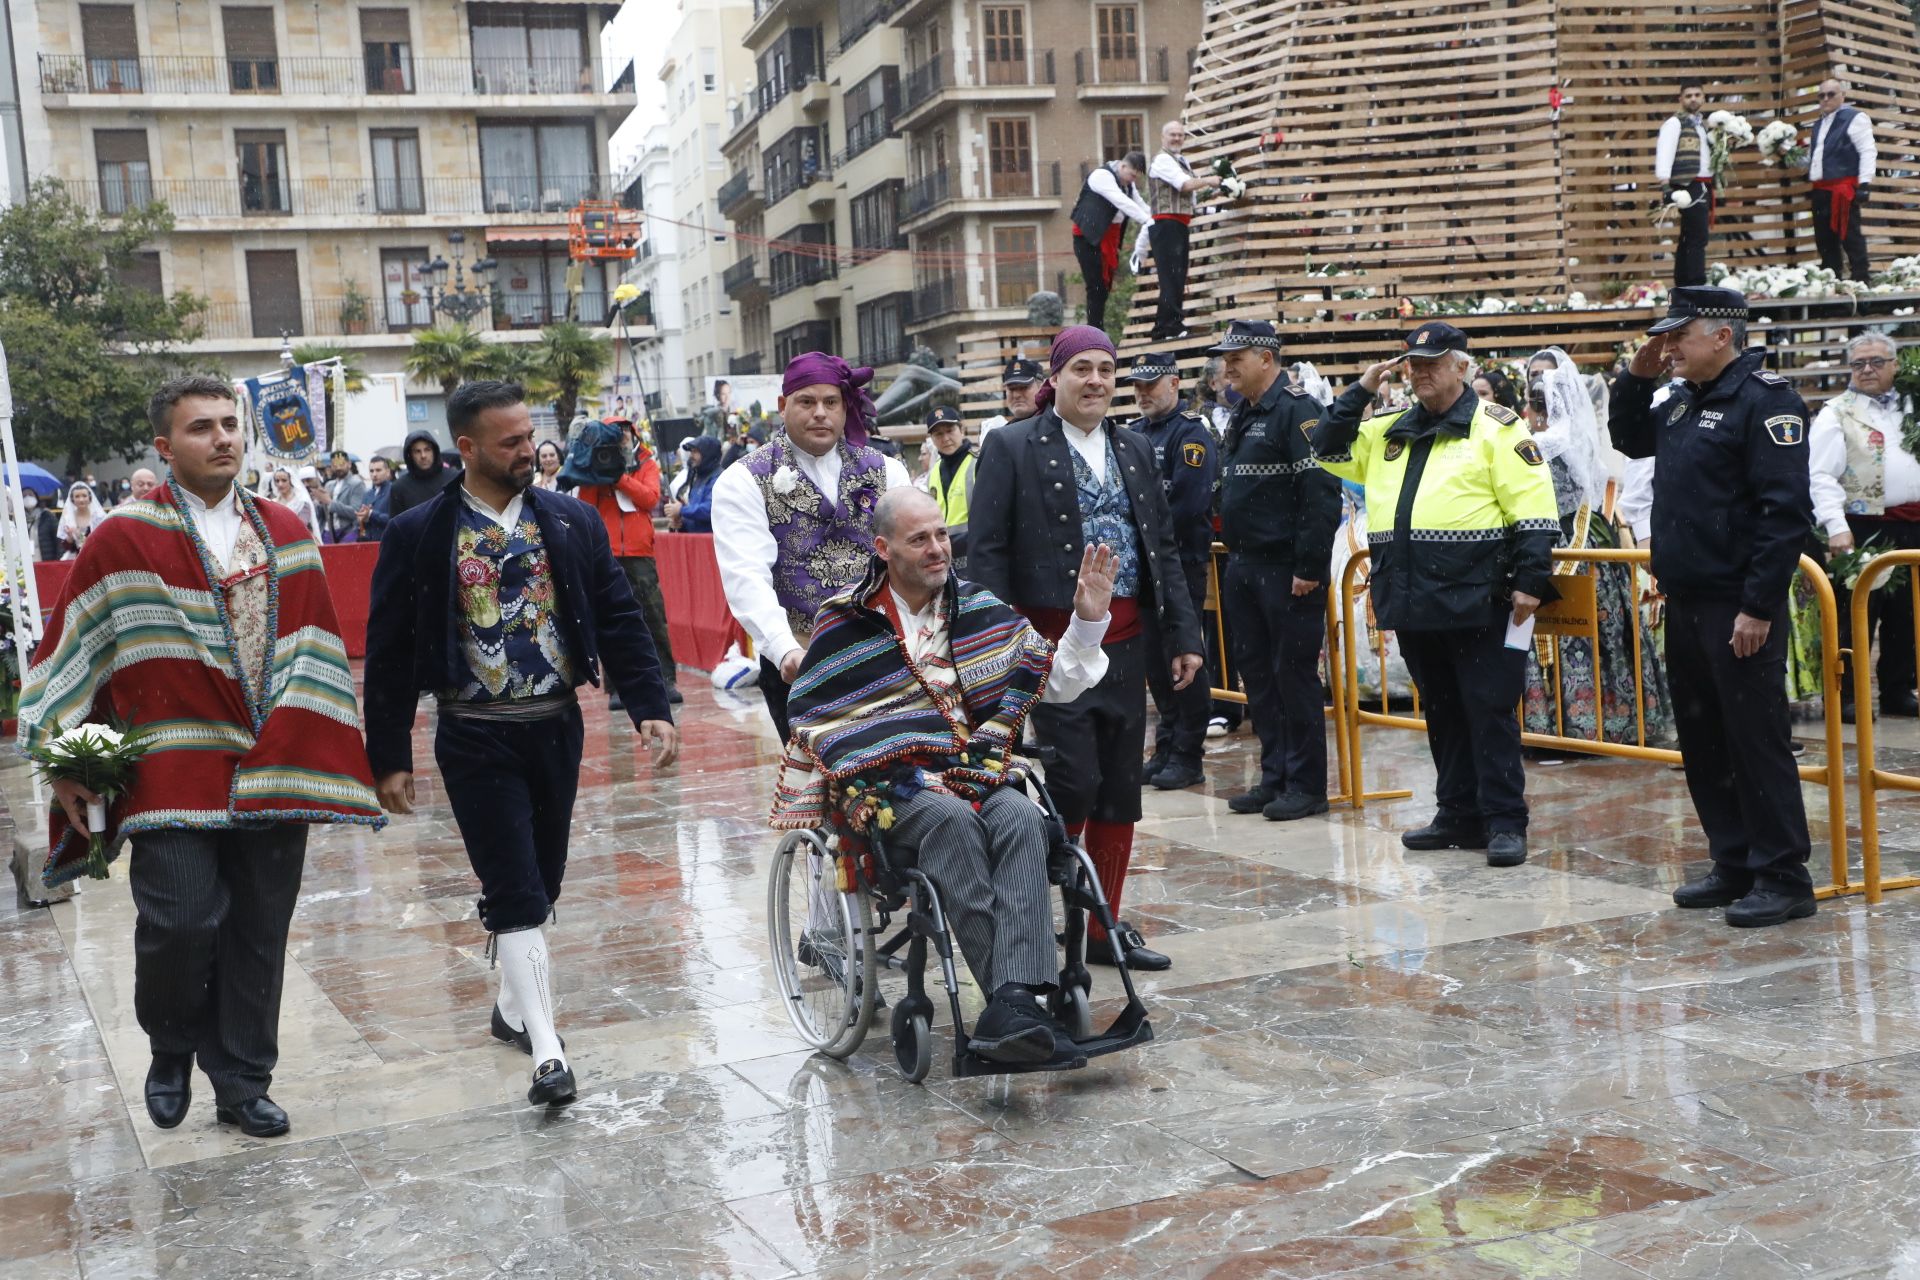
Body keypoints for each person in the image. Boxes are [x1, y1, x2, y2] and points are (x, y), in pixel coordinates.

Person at [18, 374, 384, 1138]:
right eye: (201, 427)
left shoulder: (287, 528)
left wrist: (332, 748)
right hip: (170, 769)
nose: (223, 438)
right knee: (180, 921)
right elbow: (74, 642)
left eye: (230, 424)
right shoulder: (124, 535)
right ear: (164, 446)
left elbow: (317, 650)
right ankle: (170, 1041)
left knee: (259, 931)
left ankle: (244, 1081)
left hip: (276, 763)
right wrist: (66, 752)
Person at [364, 380, 678, 1107]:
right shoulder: (418, 534)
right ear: (466, 448)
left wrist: (649, 705)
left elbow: (617, 613)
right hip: (472, 735)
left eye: (530, 436)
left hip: (557, 725)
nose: (529, 451)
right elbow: (386, 648)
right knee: (514, 889)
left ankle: (511, 1010)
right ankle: (547, 1051)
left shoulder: (570, 521)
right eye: (508, 442)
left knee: (545, 881)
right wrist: (388, 755)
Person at [773, 489, 1120, 1063]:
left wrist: (1088, 620)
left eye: (941, 535)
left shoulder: (978, 605)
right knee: (951, 820)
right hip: (893, 787)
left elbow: (1052, 681)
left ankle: (1013, 1001)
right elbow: (817, 717)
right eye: (920, 539)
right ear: (883, 549)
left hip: (978, 769)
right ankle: (1016, 1008)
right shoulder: (847, 619)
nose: (938, 549)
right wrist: (897, 762)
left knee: (1020, 820)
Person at [970, 325, 1205, 971]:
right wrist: (993, 648)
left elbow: (1162, 549)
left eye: (1106, 368)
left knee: (1120, 791)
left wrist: (1184, 634)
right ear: (1057, 378)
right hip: (1049, 647)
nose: (1096, 380)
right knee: (1074, 781)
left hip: (1128, 642)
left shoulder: (1132, 448)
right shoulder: (1011, 445)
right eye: (1082, 369)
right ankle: (1048, 891)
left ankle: (1100, 930)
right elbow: (986, 554)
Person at [1312, 322, 1560, 868]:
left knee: (1489, 711)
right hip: (1417, 599)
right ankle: (1456, 814)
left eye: (1434, 362)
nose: (1421, 372)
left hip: (1483, 600)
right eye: (1414, 364)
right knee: (1444, 713)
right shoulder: (1387, 430)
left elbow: (1536, 511)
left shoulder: (1498, 428)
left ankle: (1503, 821)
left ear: (1462, 367)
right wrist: (1358, 392)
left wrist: (1530, 584)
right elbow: (1326, 449)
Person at [1611, 286, 1816, 928]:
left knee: (1755, 741)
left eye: (1679, 336)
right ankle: (1733, 862)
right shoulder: (1677, 404)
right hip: (1688, 598)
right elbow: (1627, 437)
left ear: (1722, 335)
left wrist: (1757, 605)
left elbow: (1784, 515)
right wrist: (1641, 368)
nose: (1668, 347)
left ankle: (1782, 875)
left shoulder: (1766, 402)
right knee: (1703, 740)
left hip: (1738, 604)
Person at [713, 355, 910, 746]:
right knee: (821, 782)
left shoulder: (887, 471)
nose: (820, 413)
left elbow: (911, 558)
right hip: (800, 656)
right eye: (806, 402)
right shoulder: (744, 480)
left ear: (844, 406)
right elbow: (746, 574)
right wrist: (783, 648)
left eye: (831, 402)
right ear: (783, 406)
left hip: (886, 651)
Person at [1209, 323, 1342, 819]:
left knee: (1293, 677)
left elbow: (1320, 492)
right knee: (1259, 676)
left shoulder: (1298, 409)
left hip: (1287, 568)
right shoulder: (1244, 412)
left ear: (1266, 357)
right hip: (1244, 564)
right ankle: (1275, 776)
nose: (1227, 366)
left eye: (1236, 357)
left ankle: (1306, 784)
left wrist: (1309, 565)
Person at [1519, 348, 1674, 745]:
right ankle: (1595, 723)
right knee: (1586, 636)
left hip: (1566, 542)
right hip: (1577, 541)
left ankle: (1567, 726)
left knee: (1576, 632)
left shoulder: (1547, 443)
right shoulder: (1568, 437)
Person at [1122, 351, 1220, 792]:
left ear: (1174, 384)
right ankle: (1166, 745)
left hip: (1180, 562)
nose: (1143, 393)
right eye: (1137, 386)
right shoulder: (1133, 434)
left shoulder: (1192, 434)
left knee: (1184, 656)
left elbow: (1187, 503)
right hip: (1145, 566)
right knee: (1156, 664)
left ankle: (1187, 752)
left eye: (1151, 385)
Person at [1811, 330, 1914, 720]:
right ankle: (1848, 695)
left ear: (1894, 365)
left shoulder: (1912, 404)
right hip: (1862, 524)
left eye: (1876, 362)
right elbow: (1819, 475)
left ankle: (1899, 688)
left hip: (1912, 523)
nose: (1867, 370)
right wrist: (1836, 526)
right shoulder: (1836, 412)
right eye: (1858, 364)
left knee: (1907, 614)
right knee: (1856, 612)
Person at [574, 418, 681, 705]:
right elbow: (585, 505)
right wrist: (598, 474)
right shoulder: (594, 461)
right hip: (605, 552)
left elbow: (650, 498)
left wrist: (620, 477)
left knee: (653, 618)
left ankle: (666, 680)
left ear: (632, 435)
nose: (621, 439)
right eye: (615, 434)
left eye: (624, 433)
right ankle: (617, 688)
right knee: (611, 621)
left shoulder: (645, 462)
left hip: (640, 552)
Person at [1137, 121, 1221, 341]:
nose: (1176, 139)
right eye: (1172, 135)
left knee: (1176, 276)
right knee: (1171, 276)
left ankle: (1163, 328)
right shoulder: (1163, 159)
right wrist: (1209, 180)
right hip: (1166, 224)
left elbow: (1189, 198)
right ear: (1163, 137)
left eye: (1180, 135)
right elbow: (1183, 185)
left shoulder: (1179, 160)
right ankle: (1171, 325)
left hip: (1177, 224)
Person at [1070, 152, 1151, 334]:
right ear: (1122, 166)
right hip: (1088, 236)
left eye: (1136, 178)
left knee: (1104, 286)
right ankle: (1095, 330)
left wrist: (1156, 218)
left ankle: (1098, 327)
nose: (1133, 180)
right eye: (1132, 175)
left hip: (1109, 237)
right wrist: (1146, 220)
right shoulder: (1102, 176)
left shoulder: (1127, 184)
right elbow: (1121, 202)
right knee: (1096, 285)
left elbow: (1139, 203)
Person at [1808, 78, 1876, 283]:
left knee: (1850, 236)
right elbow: (1816, 158)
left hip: (1842, 189)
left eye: (1831, 94)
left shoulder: (1854, 118)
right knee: (1825, 240)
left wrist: (1864, 184)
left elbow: (1867, 151)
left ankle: (1861, 281)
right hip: (1821, 190)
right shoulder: (1818, 124)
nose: (1826, 99)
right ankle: (1832, 282)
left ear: (1842, 96)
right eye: (1822, 95)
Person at [1655, 81, 1714, 287]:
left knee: (1690, 236)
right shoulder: (1675, 123)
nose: (1693, 99)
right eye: (1688, 95)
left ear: (1703, 98)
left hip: (1703, 184)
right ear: (1680, 99)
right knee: (1697, 236)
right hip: (1688, 183)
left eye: (1697, 95)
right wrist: (1665, 185)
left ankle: (1684, 282)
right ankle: (1696, 281)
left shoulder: (1703, 125)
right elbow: (1665, 152)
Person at [923, 405, 976, 571]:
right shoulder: (934, 472)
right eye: (938, 434)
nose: (945, 438)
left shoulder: (978, 463)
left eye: (950, 430)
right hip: (943, 557)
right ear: (931, 438)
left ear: (962, 430)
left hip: (973, 553)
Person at [387, 429, 461, 520]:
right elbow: (396, 527)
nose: (423, 455)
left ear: (434, 451)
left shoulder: (454, 477)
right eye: (417, 451)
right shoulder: (399, 487)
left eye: (427, 449)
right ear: (410, 455)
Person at [977, 357, 1044, 441]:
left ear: (1041, 388)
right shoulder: (1004, 433)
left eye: (1023, 387)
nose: (1016, 395)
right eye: (1011, 389)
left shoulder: (1054, 424)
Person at [667, 435, 723, 533]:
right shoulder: (697, 477)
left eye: (695, 451)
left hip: (711, 543)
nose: (691, 455)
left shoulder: (720, 478)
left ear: (707, 454)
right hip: (697, 542)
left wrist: (681, 510)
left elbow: (711, 509)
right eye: (691, 451)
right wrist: (681, 523)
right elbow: (695, 515)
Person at [56, 482, 104, 558]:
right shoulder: (68, 518)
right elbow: (65, 547)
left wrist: (81, 536)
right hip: (75, 559)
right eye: (77, 496)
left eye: (84, 496)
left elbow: (104, 541)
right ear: (72, 499)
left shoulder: (99, 517)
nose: (81, 499)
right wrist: (70, 537)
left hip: (96, 556)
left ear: (90, 497)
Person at [360, 455, 395, 541]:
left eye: (378, 470)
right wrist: (363, 519)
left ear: (387, 472)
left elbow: (394, 519)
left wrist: (371, 514)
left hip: (387, 542)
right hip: (369, 543)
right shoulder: (367, 494)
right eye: (371, 471)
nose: (374, 474)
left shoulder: (394, 490)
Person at [25, 488, 59, 561]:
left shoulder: (47, 515)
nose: (27, 498)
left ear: (36, 497)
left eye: (30, 495)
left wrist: (59, 559)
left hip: (47, 560)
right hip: (27, 560)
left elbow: (58, 539)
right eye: (24, 496)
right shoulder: (19, 519)